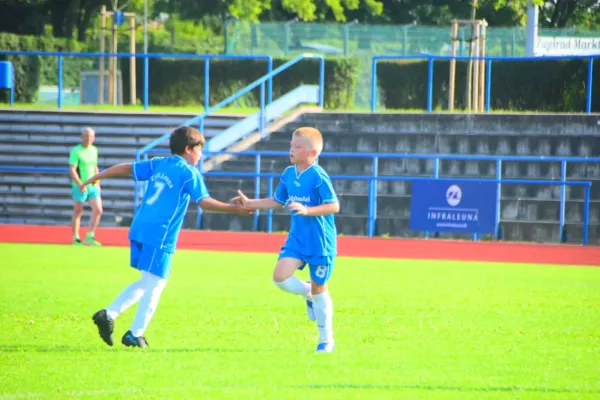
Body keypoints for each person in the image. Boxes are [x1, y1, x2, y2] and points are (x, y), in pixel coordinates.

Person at [80, 126, 252, 348]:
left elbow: (127, 168)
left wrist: (99, 175)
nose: (201, 155)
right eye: (200, 150)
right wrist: (233, 209)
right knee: (157, 283)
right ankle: (133, 332)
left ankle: (110, 316)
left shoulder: (160, 163)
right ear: (189, 149)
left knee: (148, 281)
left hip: (140, 227)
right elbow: (204, 201)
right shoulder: (189, 172)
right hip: (160, 233)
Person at [233, 127, 340, 353]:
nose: (291, 149)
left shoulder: (319, 176)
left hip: (321, 243)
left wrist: (307, 209)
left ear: (312, 153)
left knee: (322, 289)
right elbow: (277, 200)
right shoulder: (289, 174)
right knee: (280, 277)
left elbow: (334, 205)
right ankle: (306, 292)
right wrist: (250, 204)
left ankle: (325, 340)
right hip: (297, 240)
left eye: (297, 146)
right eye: (291, 145)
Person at [68, 127, 103, 246]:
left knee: (98, 209)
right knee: (78, 211)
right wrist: (80, 184)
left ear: (94, 138)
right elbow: (72, 170)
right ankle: (76, 238)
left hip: (92, 185)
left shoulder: (94, 150)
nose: (88, 139)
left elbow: (95, 167)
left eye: (90, 136)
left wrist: (98, 182)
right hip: (79, 185)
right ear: (81, 137)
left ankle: (90, 236)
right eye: (85, 136)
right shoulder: (76, 151)